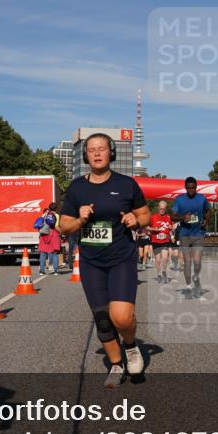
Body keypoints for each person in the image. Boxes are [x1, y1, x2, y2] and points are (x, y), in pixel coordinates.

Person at [59, 133, 150, 388]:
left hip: (121, 257)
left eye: (101, 149)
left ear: (111, 153)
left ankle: (131, 346)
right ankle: (116, 364)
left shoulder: (126, 184)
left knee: (121, 317)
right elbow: (64, 227)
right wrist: (80, 220)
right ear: (85, 155)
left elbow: (145, 215)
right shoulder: (77, 188)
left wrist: (136, 219)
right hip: (91, 261)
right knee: (102, 318)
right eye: (91, 150)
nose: (97, 153)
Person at [172, 177, 210, 297]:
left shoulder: (202, 198)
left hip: (198, 233)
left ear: (196, 187)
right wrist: (183, 218)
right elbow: (172, 217)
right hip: (185, 234)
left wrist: (206, 220)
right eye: (188, 188)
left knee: (197, 261)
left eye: (193, 187)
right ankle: (188, 285)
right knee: (187, 262)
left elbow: (208, 210)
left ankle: (196, 277)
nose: (191, 190)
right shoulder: (179, 199)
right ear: (185, 187)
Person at [148, 200, 174, 283]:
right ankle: (158, 274)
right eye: (160, 208)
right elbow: (146, 227)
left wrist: (171, 227)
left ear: (165, 209)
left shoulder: (168, 217)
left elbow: (172, 227)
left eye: (163, 209)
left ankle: (164, 272)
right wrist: (153, 229)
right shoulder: (153, 217)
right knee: (158, 260)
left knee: (165, 258)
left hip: (165, 240)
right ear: (158, 208)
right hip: (155, 241)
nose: (162, 210)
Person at [37, 202, 61, 275]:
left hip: (44, 234)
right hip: (54, 234)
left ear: (49, 208)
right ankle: (56, 271)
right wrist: (62, 232)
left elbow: (40, 224)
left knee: (43, 253)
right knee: (55, 253)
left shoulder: (44, 215)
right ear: (56, 208)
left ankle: (41, 270)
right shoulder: (57, 215)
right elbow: (56, 226)